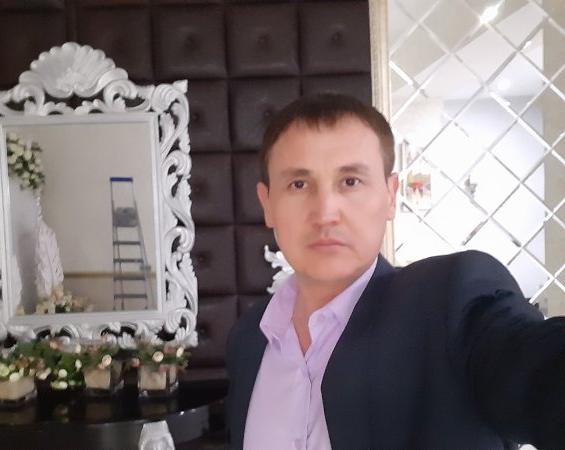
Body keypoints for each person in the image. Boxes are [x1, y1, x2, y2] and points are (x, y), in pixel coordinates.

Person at [225, 93, 565, 450]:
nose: (325, 213)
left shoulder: (448, 306)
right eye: (299, 184)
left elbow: (537, 369)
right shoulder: (249, 339)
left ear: (390, 196)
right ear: (267, 204)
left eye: (350, 181)